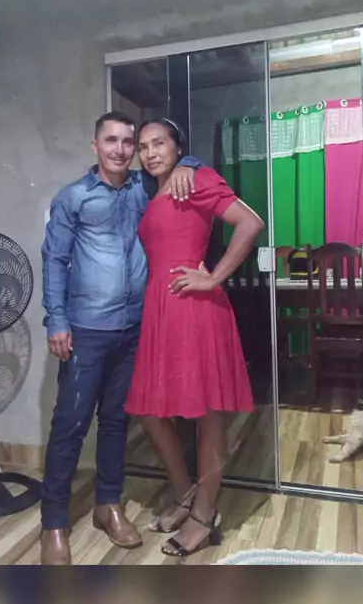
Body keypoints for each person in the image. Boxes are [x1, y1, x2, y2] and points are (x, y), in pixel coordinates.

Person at [40, 111, 203, 565]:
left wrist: (190, 162)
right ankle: (53, 523)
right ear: (95, 145)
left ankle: (107, 506)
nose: (121, 149)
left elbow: (179, 165)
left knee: (116, 422)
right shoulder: (73, 197)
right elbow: (54, 260)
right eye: (110, 140)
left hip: (134, 328)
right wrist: (56, 320)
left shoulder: (143, 188)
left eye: (128, 142)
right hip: (86, 329)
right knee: (70, 425)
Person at [125, 118, 264, 558]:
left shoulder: (195, 179)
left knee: (209, 413)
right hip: (160, 309)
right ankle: (187, 494)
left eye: (159, 143)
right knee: (148, 409)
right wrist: (187, 161)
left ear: (177, 146)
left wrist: (214, 278)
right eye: (143, 146)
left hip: (194, 307)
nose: (150, 153)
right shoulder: (152, 190)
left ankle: (204, 515)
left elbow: (250, 223)